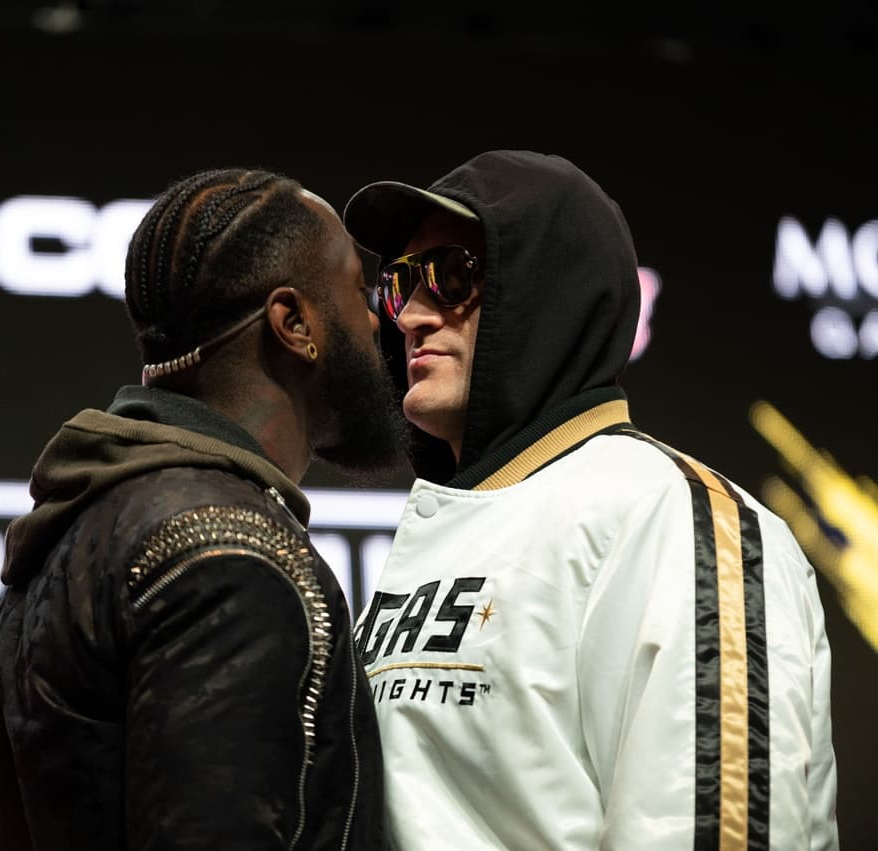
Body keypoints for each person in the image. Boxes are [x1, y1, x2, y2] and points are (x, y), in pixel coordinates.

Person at [342, 149, 839, 850]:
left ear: (547, 292)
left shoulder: (668, 516)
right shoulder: (442, 522)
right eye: (400, 283)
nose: (411, 315)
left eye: (452, 275)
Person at [0, 167, 402, 850]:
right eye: (360, 291)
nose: (378, 320)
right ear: (295, 323)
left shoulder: (78, 522)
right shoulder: (232, 562)